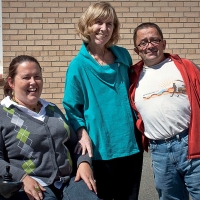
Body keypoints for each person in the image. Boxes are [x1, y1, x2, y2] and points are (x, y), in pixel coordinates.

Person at [62, 2, 143, 200]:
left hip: (130, 144)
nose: (104, 28)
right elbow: (72, 107)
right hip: (100, 148)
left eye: (109, 23)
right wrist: (81, 132)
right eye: (98, 22)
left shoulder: (122, 55)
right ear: (87, 25)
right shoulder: (78, 66)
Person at [0, 55, 101, 200]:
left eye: (37, 76)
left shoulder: (52, 109)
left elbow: (75, 143)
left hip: (70, 181)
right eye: (26, 77)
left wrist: (84, 163)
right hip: (34, 185)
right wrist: (21, 177)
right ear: (11, 82)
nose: (33, 82)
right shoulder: (3, 114)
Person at [129, 22, 200, 200]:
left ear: (163, 43)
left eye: (154, 40)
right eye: (143, 42)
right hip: (159, 151)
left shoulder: (185, 67)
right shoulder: (132, 76)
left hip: (190, 145)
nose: (149, 45)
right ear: (137, 50)